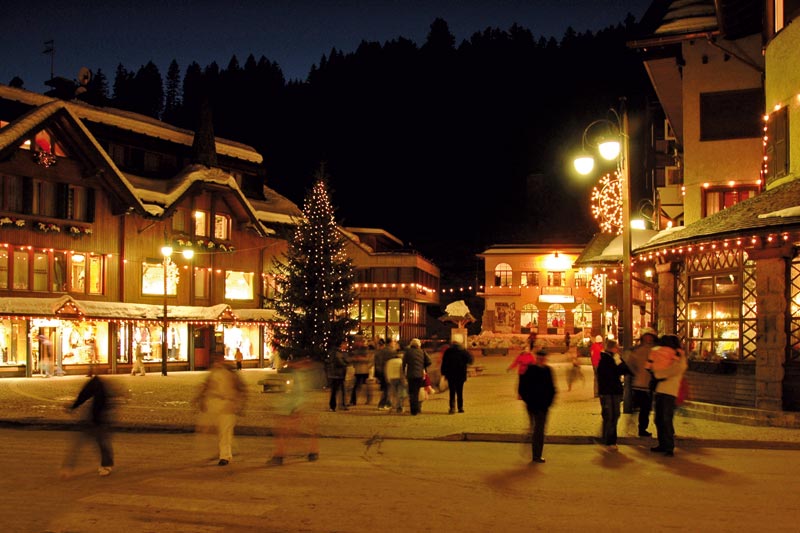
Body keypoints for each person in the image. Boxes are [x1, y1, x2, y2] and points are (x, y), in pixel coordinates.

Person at [194, 353, 246, 466]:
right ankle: (224, 450)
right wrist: (200, 399)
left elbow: (241, 387)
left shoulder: (231, 373)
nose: (217, 362)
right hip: (213, 404)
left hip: (227, 405)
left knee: (225, 431)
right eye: (215, 360)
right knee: (210, 430)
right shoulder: (213, 373)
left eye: (218, 360)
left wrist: (240, 405)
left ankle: (225, 456)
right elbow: (205, 386)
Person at [61, 371, 115, 477]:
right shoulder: (99, 383)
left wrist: (73, 407)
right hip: (97, 417)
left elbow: (84, 395)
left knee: (81, 442)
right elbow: (86, 395)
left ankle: (68, 467)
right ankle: (106, 465)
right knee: (100, 442)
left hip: (95, 418)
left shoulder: (95, 383)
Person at [268, 357, 320, 465]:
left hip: (294, 406)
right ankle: (312, 452)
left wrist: (295, 408)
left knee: (284, 430)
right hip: (294, 406)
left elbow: (299, 393)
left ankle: (280, 455)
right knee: (291, 430)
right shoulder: (302, 374)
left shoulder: (300, 375)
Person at [648, 334, 688, 457]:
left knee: (665, 419)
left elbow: (676, 369)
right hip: (661, 390)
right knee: (659, 419)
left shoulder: (679, 356)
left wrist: (658, 375)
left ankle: (668, 446)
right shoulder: (668, 355)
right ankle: (662, 444)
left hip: (670, 391)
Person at [518, 348, 556, 464]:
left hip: (543, 405)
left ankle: (536, 452)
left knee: (538, 429)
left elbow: (552, 388)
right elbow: (522, 387)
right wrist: (529, 401)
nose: (542, 360)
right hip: (534, 405)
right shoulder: (531, 370)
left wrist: (549, 402)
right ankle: (536, 455)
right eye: (540, 358)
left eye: (543, 358)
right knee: (539, 430)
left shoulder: (547, 370)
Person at [597, 338, 631, 451]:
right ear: (613, 348)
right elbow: (616, 371)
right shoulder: (605, 359)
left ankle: (608, 438)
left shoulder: (614, 358)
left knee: (614, 415)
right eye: (616, 347)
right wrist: (617, 360)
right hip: (608, 391)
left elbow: (625, 370)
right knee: (611, 415)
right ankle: (609, 440)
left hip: (613, 391)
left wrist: (617, 360)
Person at [624, 327, 658, 436]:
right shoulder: (652, 350)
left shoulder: (638, 350)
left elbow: (629, 364)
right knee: (645, 408)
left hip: (642, 384)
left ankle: (638, 426)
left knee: (643, 408)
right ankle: (641, 428)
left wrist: (635, 373)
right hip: (644, 384)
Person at [440, 341, 474, 414]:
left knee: (452, 392)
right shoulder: (463, 351)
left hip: (451, 375)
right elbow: (470, 360)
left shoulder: (448, 352)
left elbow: (444, 362)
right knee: (460, 392)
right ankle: (460, 407)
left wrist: (443, 372)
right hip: (460, 374)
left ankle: (452, 408)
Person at [402, 338, 431, 416]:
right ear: (419, 345)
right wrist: (423, 366)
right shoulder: (422, 352)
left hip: (410, 375)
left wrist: (403, 372)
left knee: (412, 393)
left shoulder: (407, 353)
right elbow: (429, 361)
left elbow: (404, 363)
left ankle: (413, 410)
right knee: (417, 392)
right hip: (419, 375)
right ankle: (417, 408)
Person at [349, 335, 374, 405]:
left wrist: (359, 359)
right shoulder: (355, 349)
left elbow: (369, 359)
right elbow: (352, 358)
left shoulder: (365, 349)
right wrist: (355, 359)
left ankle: (368, 399)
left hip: (364, 370)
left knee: (365, 386)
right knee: (357, 386)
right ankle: (353, 401)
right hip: (358, 370)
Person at [325, 341, 349, 411]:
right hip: (338, 374)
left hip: (336, 374)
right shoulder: (338, 353)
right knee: (337, 390)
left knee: (336, 390)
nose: (346, 346)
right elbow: (340, 362)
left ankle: (336, 405)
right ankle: (334, 406)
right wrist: (346, 363)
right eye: (345, 344)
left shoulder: (335, 352)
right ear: (341, 345)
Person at [373, 339, 396, 410]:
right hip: (388, 371)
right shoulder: (391, 351)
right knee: (388, 388)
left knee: (386, 388)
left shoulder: (380, 351)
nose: (394, 343)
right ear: (390, 343)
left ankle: (385, 403)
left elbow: (376, 361)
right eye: (393, 342)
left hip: (381, 372)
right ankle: (384, 404)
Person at [384, 347, 406, 412]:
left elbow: (386, 370)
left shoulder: (389, 362)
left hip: (391, 378)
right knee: (400, 393)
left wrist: (387, 378)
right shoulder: (401, 361)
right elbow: (403, 371)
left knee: (393, 393)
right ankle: (399, 406)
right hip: (399, 378)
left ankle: (392, 405)